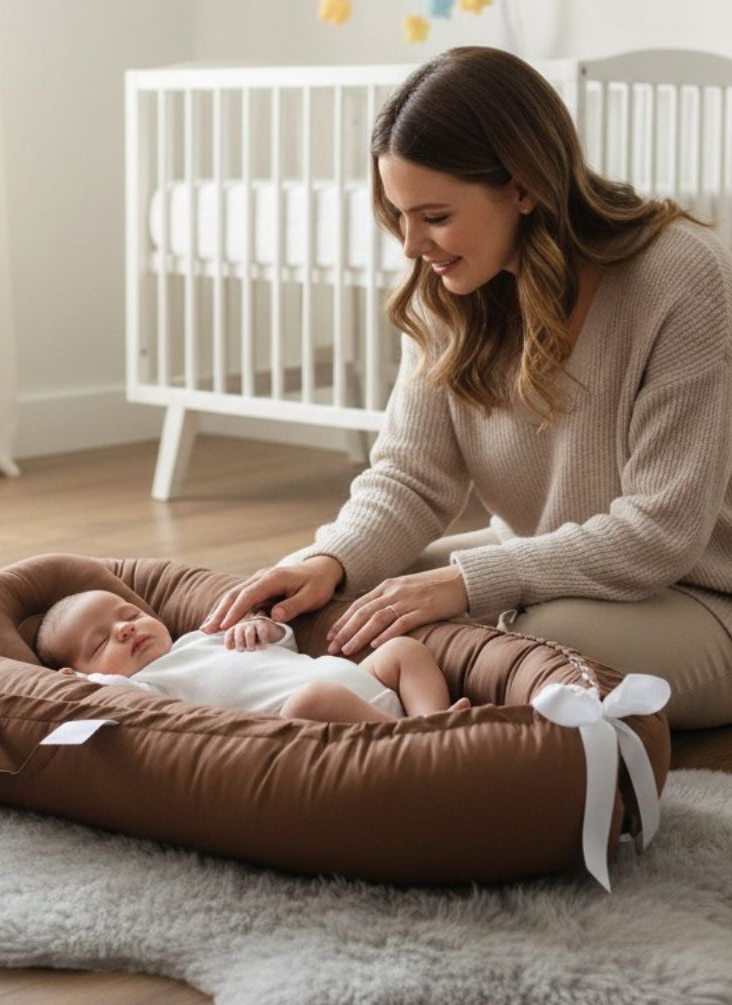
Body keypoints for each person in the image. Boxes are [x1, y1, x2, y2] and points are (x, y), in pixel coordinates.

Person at [200, 46, 732, 732]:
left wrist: (470, 582)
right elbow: (409, 481)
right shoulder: (443, 290)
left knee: (522, 640)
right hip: (549, 569)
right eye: (398, 216)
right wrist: (330, 560)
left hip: (702, 595)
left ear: (522, 185)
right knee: (340, 607)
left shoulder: (680, 276)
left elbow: (661, 533)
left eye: (434, 216)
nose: (412, 245)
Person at [34, 589, 470, 723]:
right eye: (101, 642)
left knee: (403, 649)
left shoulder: (202, 636)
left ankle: (433, 721)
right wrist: (81, 685)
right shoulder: (150, 686)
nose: (125, 628)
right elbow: (113, 700)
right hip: (327, 716)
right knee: (310, 700)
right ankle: (412, 744)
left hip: (361, 681)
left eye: (128, 615)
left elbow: (286, 646)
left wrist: (259, 627)